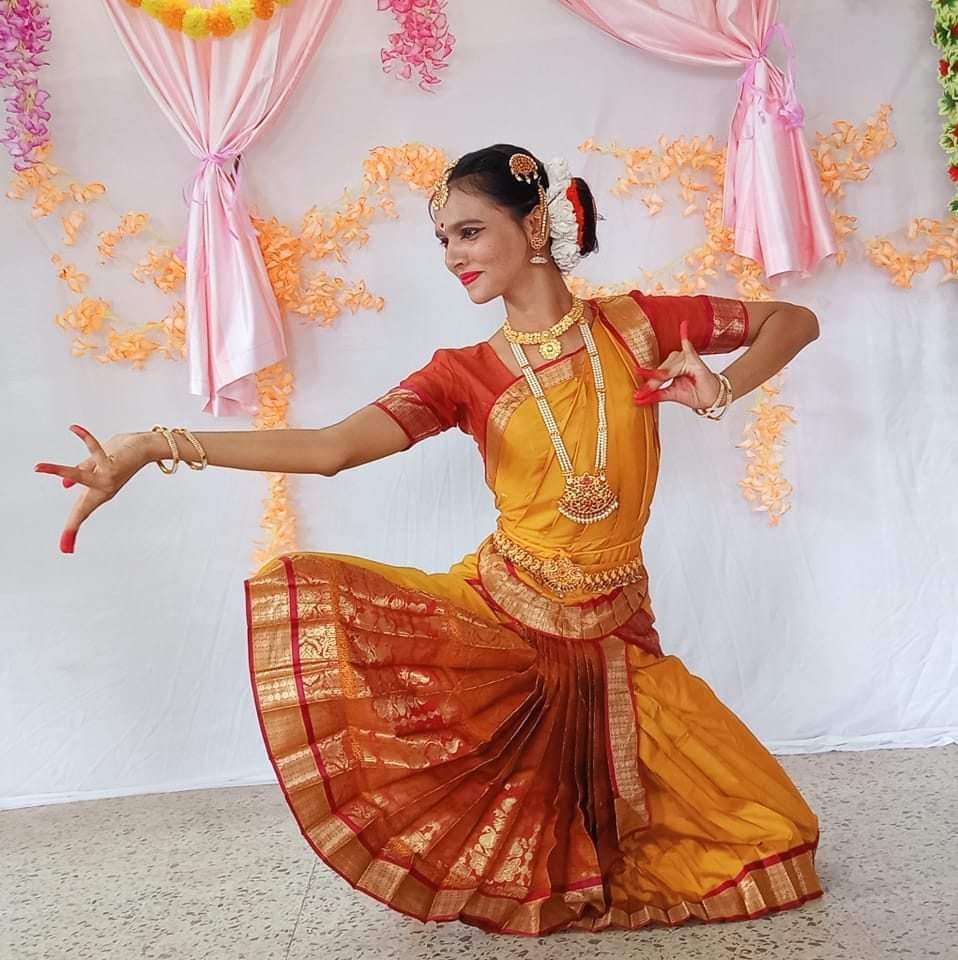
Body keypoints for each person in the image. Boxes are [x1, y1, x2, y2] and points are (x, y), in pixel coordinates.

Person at [35, 143, 823, 936]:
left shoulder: (639, 327)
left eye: (470, 232)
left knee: (771, 832)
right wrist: (155, 444)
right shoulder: (463, 373)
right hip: (511, 618)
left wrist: (724, 388)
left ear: (535, 225)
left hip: (619, 628)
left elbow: (795, 320)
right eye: (444, 239)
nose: (453, 256)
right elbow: (333, 448)